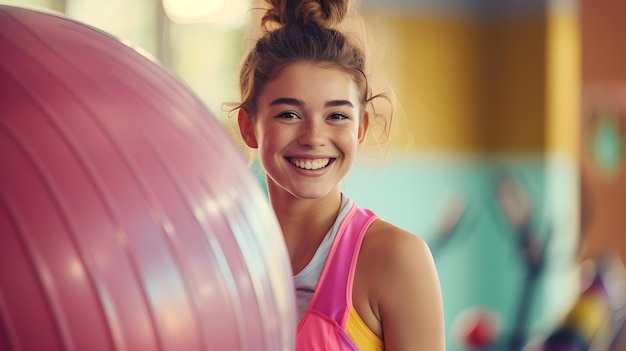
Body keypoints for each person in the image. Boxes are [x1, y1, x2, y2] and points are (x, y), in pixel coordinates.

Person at [233, 0, 445, 349]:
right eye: (289, 114)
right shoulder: (224, 256)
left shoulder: (397, 259)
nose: (314, 138)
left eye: (337, 116)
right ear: (249, 127)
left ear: (360, 130)